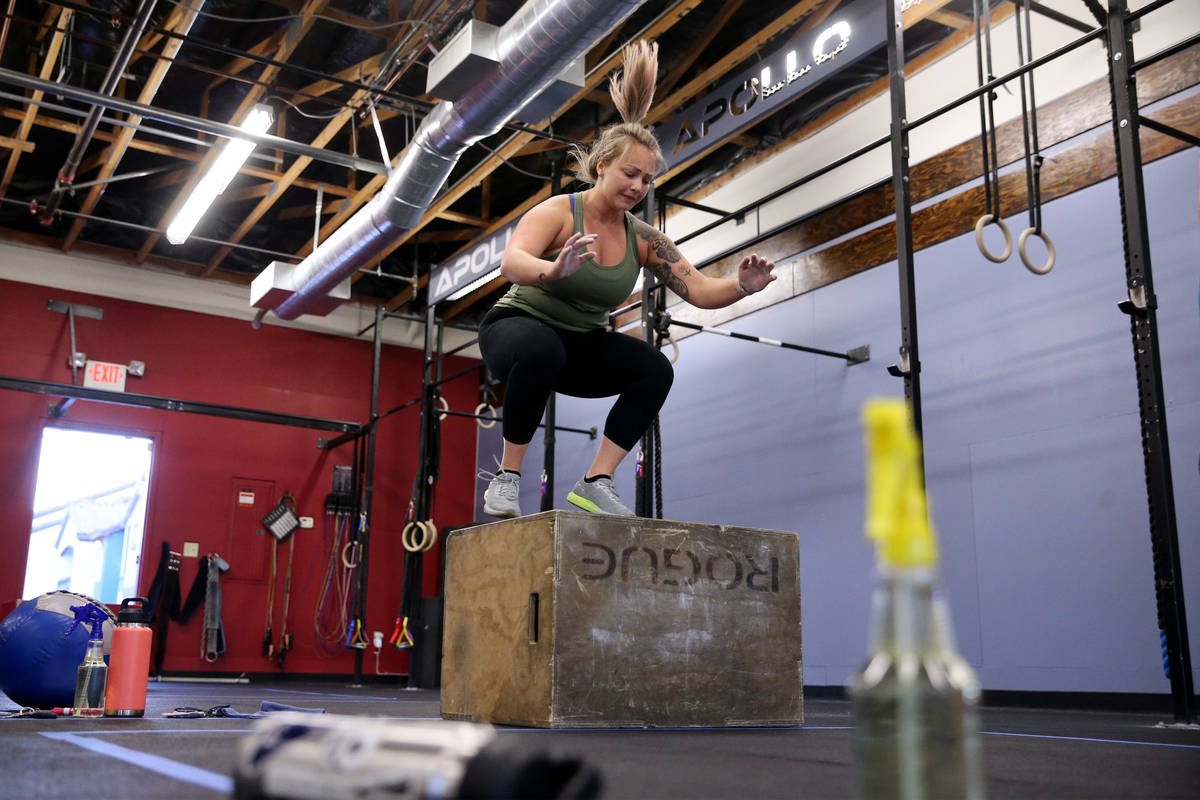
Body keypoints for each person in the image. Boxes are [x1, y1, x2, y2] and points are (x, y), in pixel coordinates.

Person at [477, 40, 776, 518]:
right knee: (541, 349)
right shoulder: (560, 211)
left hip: (579, 347)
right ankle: (507, 477)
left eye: (647, 181)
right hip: (515, 329)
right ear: (602, 167)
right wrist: (552, 270)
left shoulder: (644, 239)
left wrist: (741, 286)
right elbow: (511, 263)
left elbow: (698, 290)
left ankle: (596, 481)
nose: (637, 187)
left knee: (654, 368)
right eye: (629, 174)